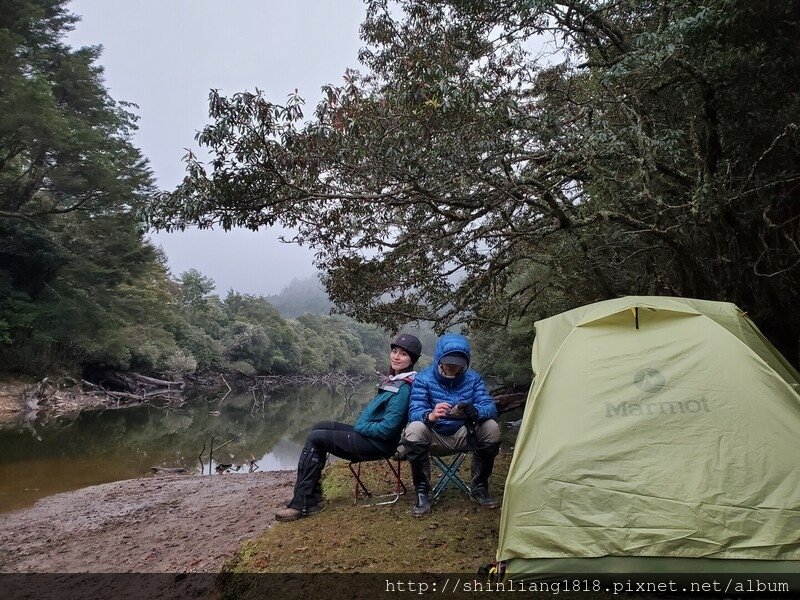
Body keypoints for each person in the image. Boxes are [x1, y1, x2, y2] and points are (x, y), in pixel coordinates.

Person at [275, 333, 423, 522]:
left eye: (403, 354)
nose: (396, 356)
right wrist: (363, 426)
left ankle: (303, 503)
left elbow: (388, 430)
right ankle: (310, 495)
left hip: (378, 444)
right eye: (394, 351)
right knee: (319, 426)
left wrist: (361, 427)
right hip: (370, 436)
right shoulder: (394, 380)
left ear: (412, 360)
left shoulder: (404, 387)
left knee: (316, 438)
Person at [401, 333, 500, 517]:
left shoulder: (473, 379)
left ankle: (479, 487)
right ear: (439, 359)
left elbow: (490, 407)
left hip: (465, 435)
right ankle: (423, 493)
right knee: (414, 429)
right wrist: (430, 415)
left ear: (466, 361)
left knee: (492, 427)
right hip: (434, 436)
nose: (452, 365)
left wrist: (475, 411)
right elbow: (414, 410)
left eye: (458, 362)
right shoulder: (423, 379)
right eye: (448, 361)